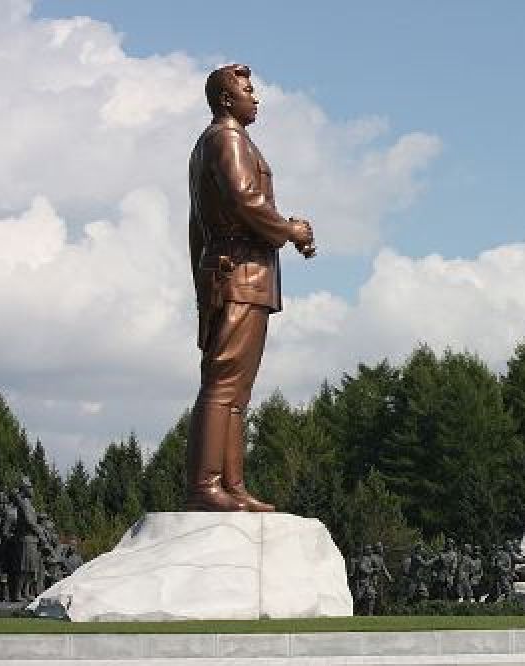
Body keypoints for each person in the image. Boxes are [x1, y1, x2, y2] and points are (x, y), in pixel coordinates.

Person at [186, 63, 316, 512]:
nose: (255, 97)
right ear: (226, 99)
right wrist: (289, 230)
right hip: (237, 269)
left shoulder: (219, 142)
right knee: (224, 385)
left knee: (237, 390)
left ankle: (232, 485)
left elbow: (197, 226)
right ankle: (206, 487)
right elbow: (246, 199)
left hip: (241, 271)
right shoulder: (227, 139)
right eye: (247, 90)